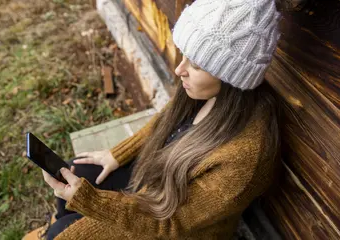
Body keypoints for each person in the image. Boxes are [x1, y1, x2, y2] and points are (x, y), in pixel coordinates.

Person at [23, 0, 282, 239]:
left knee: (66, 235)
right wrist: (116, 155)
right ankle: (59, 221)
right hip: (157, 181)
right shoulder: (203, 92)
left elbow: (171, 223)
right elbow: (166, 120)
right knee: (76, 168)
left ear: (231, 77)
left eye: (196, 65)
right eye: (183, 55)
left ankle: (56, 229)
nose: (180, 70)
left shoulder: (246, 155)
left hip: (173, 225)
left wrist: (90, 201)